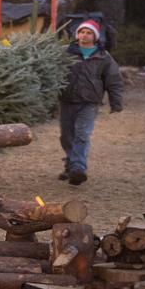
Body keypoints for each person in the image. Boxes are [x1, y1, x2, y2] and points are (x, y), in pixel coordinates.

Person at [56, 19, 125, 186]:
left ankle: (78, 169)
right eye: (81, 32)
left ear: (95, 37)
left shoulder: (103, 56)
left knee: (82, 134)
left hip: (89, 102)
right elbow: (53, 74)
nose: (84, 35)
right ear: (77, 34)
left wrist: (116, 102)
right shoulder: (66, 53)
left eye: (88, 33)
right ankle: (70, 165)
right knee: (66, 135)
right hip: (67, 100)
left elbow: (113, 79)